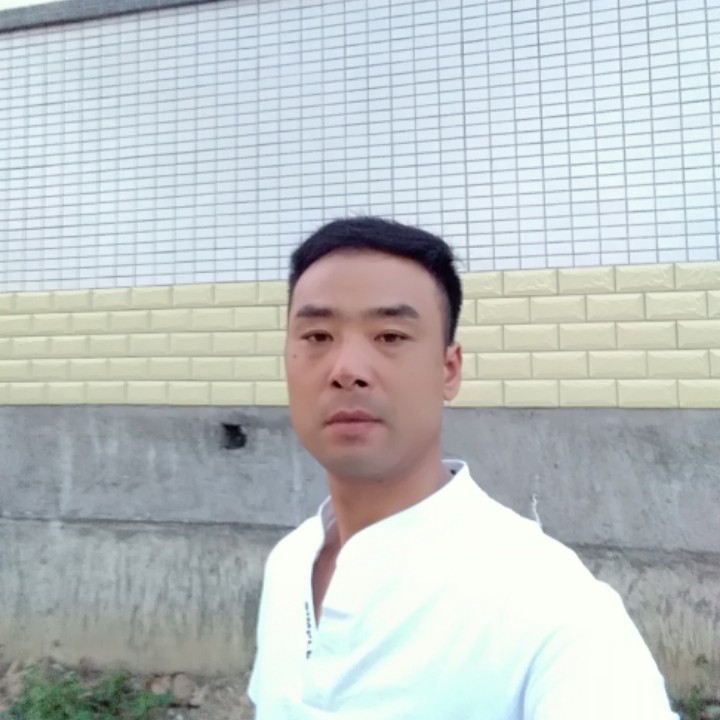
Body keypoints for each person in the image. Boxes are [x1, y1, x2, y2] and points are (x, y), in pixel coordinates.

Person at [247, 217, 678, 719]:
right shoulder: (290, 563)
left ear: (448, 370)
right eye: (318, 335)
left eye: (390, 335)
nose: (347, 370)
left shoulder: (550, 604)